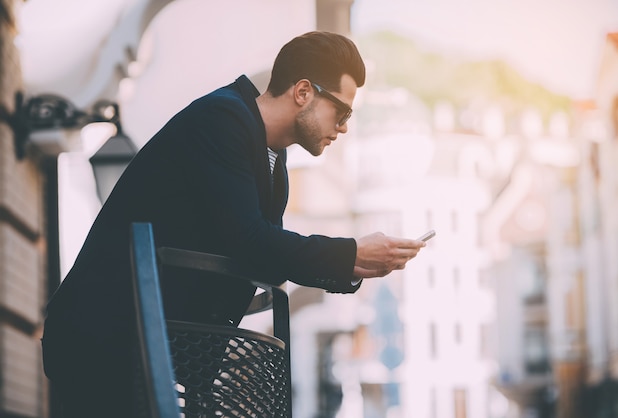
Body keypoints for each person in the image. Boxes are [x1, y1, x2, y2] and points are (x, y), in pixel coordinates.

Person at [41, 31, 426, 417]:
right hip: (104, 336)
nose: (343, 128)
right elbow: (250, 241)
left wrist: (355, 263)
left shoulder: (273, 159)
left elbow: (268, 254)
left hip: (158, 347)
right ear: (304, 92)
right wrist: (350, 253)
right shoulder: (222, 119)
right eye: (342, 112)